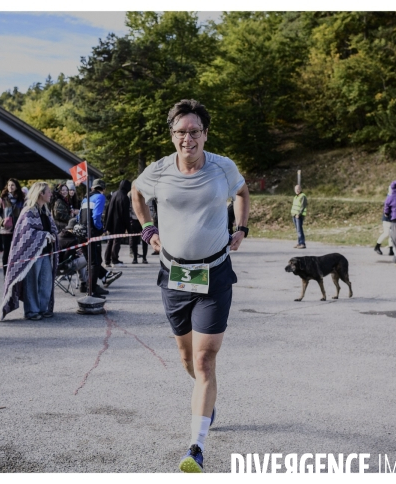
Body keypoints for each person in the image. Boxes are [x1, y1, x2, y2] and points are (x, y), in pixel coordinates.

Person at [131, 99, 249, 473]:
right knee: (186, 358)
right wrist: (148, 229)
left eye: (194, 131)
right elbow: (136, 193)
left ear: (205, 134)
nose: (187, 138)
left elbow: (243, 195)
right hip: (175, 275)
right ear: (172, 135)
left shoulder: (222, 167)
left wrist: (240, 228)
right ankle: (206, 396)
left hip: (214, 272)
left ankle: (196, 445)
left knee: (204, 358)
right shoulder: (159, 170)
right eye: (180, 132)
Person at [0, 182, 59, 321]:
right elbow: (25, 233)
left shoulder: (46, 211)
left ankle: (43, 308)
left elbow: (52, 227)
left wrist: (53, 234)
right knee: (32, 283)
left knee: (46, 282)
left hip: (46, 253)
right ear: (41, 193)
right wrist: (43, 236)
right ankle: (31, 311)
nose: (51, 194)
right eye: (48, 192)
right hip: (32, 254)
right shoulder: (28, 211)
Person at [79, 179, 112, 297]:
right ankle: (92, 290)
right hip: (92, 233)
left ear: (92, 187)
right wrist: (100, 228)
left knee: (90, 261)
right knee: (95, 262)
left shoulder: (85, 198)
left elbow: (78, 216)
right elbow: (97, 216)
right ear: (103, 189)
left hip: (82, 233)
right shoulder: (100, 197)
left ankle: (88, 286)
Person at [0, 178, 25, 276]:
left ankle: (17, 274)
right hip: (6, 231)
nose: (10, 187)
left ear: (16, 187)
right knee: (6, 254)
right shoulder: (2, 199)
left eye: (12, 185)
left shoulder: (22, 199)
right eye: (9, 185)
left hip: (19, 230)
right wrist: (2, 222)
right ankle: (6, 275)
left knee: (19, 253)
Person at [104, 180, 131, 267]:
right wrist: (129, 228)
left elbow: (108, 209)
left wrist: (106, 223)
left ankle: (107, 260)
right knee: (116, 242)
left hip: (111, 221)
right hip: (119, 223)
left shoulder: (114, 194)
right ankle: (114, 259)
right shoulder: (124, 197)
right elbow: (125, 214)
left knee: (110, 241)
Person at [128, 185, 148, 264]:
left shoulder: (146, 194)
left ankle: (144, 258)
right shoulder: (131, 195)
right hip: (134, 219)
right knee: (134, 241)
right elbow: (129, 207)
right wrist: (130, 219)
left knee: (145, 240)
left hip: (144, 220)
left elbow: (150, 207)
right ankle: (135, 258)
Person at [374, 186, 394, 256]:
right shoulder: (389, 197)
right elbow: (387, 208)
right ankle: (377, 246)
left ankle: (391, 250)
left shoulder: (392, 196)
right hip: (387, 218)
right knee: (386, 233)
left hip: (392, 218)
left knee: (392, 234)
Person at [291, 184, 307, 249]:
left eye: (298, 189)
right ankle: (299, 242)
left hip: (299, 215)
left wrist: (299, 214)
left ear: (301, 189)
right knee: (298, 230)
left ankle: (302, 243)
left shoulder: (303, 196)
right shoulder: (296, 196)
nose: (297, 190)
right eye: (296, 189)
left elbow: (303, 206)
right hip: (294, 215)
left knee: (299, 230)